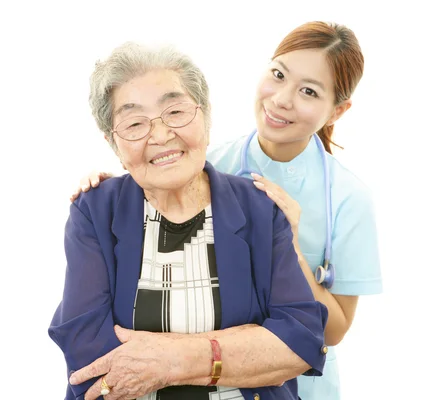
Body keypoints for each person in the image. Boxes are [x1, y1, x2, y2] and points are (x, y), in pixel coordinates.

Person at [70, 21, 383, 400]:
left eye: (309, 91)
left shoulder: (345, 198)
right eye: (279, 74)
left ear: (337, 111)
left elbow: (317, 333)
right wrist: (105, 189)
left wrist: (176, 356)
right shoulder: (210, 160)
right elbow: (158, 162)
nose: (282, 99)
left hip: (296, 385)